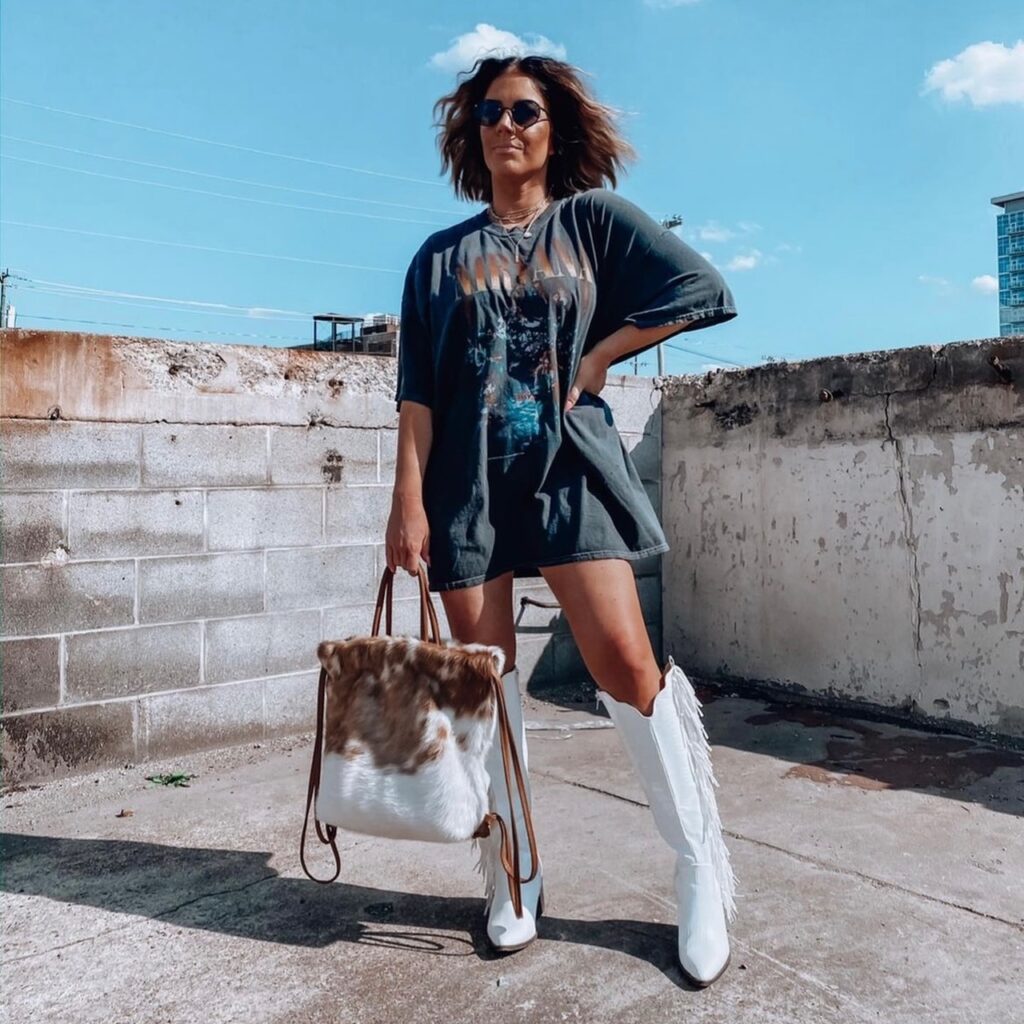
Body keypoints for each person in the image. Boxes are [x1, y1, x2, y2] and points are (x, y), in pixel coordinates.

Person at [385, 54, 737, 987]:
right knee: (486, 688)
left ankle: (699, 866)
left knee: (626, 664)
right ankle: (514, 868)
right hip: (463, 486)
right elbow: (418, 394)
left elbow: (703, 292)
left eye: (526, 111)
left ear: (554, 128)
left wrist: (596, 360)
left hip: (569, 473)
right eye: (490, 112)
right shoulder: (437, 259)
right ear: (473, 133)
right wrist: (405, 503)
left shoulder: (591, 224)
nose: (507, 125)